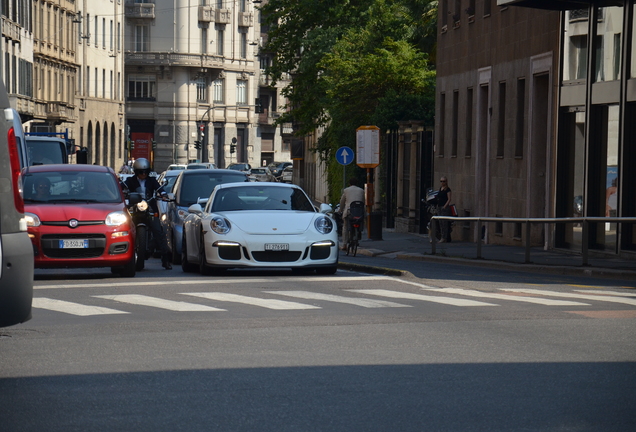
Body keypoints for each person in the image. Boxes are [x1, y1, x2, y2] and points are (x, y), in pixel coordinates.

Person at [124, 158, 172, 269]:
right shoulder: (131, 181)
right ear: (136, 171)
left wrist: (163, 194)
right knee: (125, 228)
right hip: (135, 208)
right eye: (141, 172)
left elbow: (159, 188)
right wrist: (119, 192)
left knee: (158, 231)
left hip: (150, 208)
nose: (143, 174)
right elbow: (123, 187)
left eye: (146, 172)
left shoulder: (152, 180)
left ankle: (165, 260)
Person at [338, 178, 365, 251]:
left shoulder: (346, 190)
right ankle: (358, 234)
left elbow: (342, 201)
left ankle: (344, 244)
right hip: (359, 212)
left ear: (349, 184)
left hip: (349, 211)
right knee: (360, 222)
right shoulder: (361, 190)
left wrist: (340, 209)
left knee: (345, 227)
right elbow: (363, 201)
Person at [437, 176, 452, 243]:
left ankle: (444, 237)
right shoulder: (440, 189)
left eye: (443, 181)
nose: (442, 183)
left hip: (444, 207)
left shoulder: (448, 190)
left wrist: (445, 206)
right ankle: (442, 236)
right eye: (441, 181)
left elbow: (449, 199)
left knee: (444, 223)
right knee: (440, 223)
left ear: (446, 182)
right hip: (439, 207)